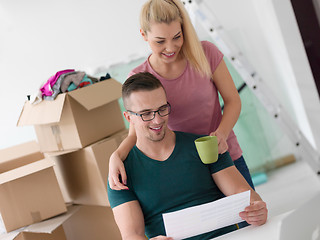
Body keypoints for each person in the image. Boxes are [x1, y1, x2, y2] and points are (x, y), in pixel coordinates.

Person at [109, 0, 254, 227]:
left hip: (224, 156)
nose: (170, 47)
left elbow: (233, 100)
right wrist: (115, 156)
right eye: (160, 41)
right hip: (186, 170)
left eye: (177, 37)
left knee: (249, 222)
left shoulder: (205, 52)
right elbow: (135, 132)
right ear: (143, 35)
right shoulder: (139, 77)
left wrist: (222, 134)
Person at [107, 72, 268, 240]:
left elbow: (242, 193)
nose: (157, 120)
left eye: (162, 109)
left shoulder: (203, 146)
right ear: (128, 117)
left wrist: (257, 209)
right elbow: (132, 235)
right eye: (146, 113)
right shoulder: (120, 174)